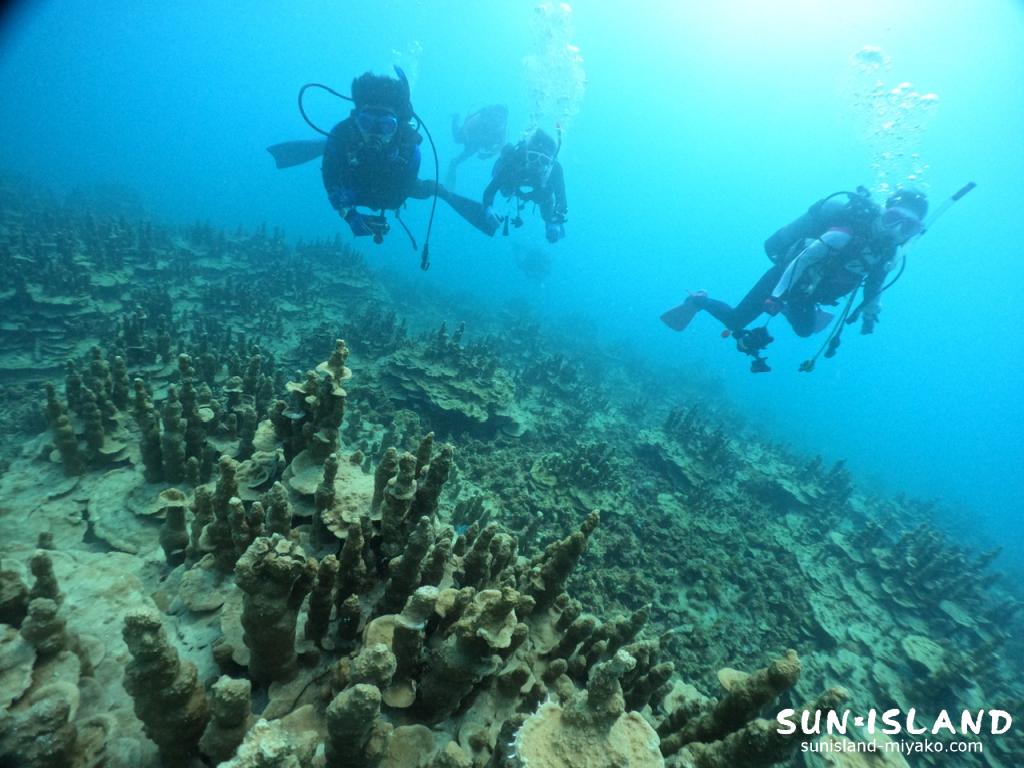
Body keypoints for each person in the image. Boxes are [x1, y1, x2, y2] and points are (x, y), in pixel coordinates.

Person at [661, 187, 929, 367]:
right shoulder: (842, 234)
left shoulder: (888, 257)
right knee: (735, 321)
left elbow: (874, 287)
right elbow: (801, 262)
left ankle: (789, 308)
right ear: (884, 211)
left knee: (803, 332)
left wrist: (871, 311)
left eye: (908, 226)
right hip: (784, 277)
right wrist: (776, 296)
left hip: (810, 293)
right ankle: (698, 300)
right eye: (893, 217)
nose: (896, 229)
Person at [319, 71, 439, 241]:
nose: (375, 134)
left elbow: (395, 200)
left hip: (386, 184)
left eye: (386, 126)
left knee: (424, 190)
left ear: (398, 128)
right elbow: (330, 178)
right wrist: (349, 215)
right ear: (356, 121)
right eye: (366, 123)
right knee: (332, 145)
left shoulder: (408, 148)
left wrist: (349, 203)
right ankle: (323, 145)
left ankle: (438, 189)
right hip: (357, 179)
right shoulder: (342, 133)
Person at [483, 128, 568, 243]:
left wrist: (555, 221)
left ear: (550, 162)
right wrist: (488, 207)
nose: (536, 164)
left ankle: (548, 221)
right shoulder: (514, 159)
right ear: (526, 154)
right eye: (533, 157)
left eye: (544, 161)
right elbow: (491, 189)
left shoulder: (555, 169)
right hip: (514, 179)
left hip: (539, 189)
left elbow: (561, 198)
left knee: (546, 198)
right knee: (505, 191)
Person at [446, 104, 509, 190]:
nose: (497, 119)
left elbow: (500, 147)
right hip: (471, 135)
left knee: (463, 156)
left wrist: (488, 155)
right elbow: (467, 126)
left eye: (500, 117)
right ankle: (456, 117)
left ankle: (453, 164)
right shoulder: (482, 117)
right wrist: (467, 139)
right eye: (496, 115)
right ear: (492, 113)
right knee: (457, 139)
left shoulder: (502, 128)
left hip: (479, 143)